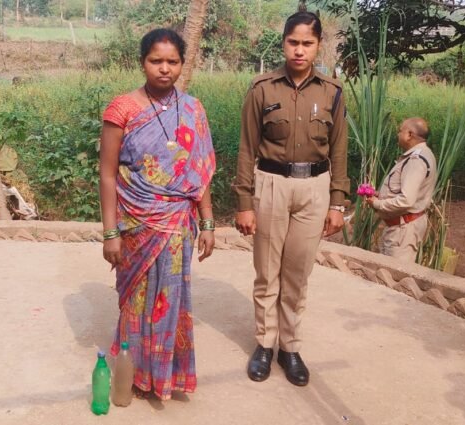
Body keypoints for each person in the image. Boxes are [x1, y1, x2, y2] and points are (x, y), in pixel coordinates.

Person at [98, 28, 216, 401]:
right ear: (142, 62)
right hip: (135, 223)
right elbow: (107, 174)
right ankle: (133, 376)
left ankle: (165, 377)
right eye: (156, 61)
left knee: (171, 302)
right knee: (135, 302)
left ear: (182, 63)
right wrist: (110, 233)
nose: (164, 69)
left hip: (179, 224)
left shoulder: (194, 109)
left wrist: (208, 222)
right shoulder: (122, 109)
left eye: (172, 61)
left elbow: (200, 172)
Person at [234, 11, 349, 387]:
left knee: (297, 274)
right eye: (293, 42)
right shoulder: (262, 88)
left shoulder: (332, 92)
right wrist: (244, 203)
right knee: (267, 272)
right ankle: (264, 345)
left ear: (318, 46)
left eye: (307, 43)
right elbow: (247, 148)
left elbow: (339, 150)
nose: (300, 50)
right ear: (283, 43)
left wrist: (337, 203)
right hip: (271, 184)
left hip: (314, 188)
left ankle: (290, 347)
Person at [365, 117, 437, 263]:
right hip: (402, 228)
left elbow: (406, 200)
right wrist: (380, 195)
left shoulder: (416, 160)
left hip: (403, 231)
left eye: (400, 131)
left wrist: (377, 203)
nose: (398, 134)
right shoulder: (422, 154)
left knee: (394, 272)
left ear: (409, 134)